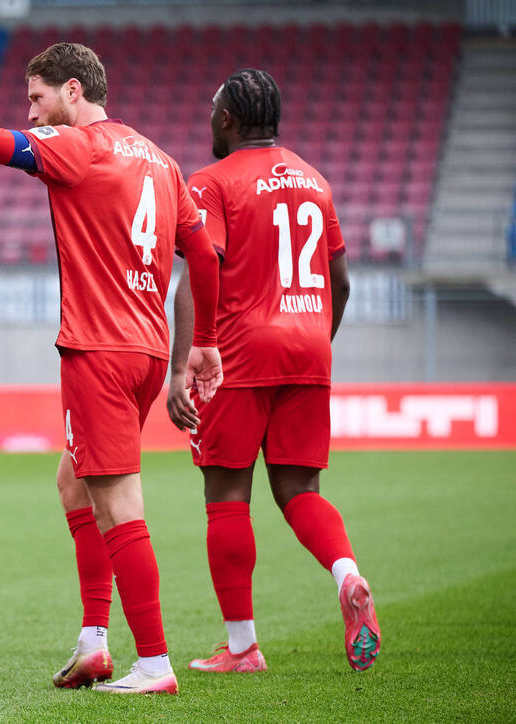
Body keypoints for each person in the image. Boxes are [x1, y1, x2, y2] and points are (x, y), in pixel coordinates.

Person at [0, 40, 223, 695]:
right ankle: (94, 642)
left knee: (120, 503)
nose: (31, 113)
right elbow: (202, 255)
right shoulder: (161, 161)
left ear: (73, 91)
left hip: (100, 350)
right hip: (145, 350)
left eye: (37, 98)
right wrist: (199, 344)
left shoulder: (77, 145)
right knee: (73, 485)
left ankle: (154, 663)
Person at [169, 69, 379, 674]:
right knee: (299, 492)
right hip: (310, 348)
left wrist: (185, 361)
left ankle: (242, 648)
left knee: (227, 497)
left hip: (236, 351)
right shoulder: (316, 181)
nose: (209, 120)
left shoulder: (211, 182)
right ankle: (348, 574)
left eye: (213, 110)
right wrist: (314, 341)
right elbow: (341, 281)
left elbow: (201, 269)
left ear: (229, 119)